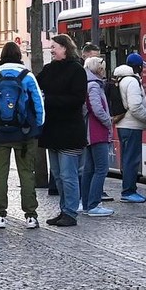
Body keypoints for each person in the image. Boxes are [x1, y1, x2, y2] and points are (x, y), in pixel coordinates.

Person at [0, 41, 45, 228]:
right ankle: (31, 215)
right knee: (26, 173)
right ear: (19, 56)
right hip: (25, 133)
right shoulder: (27, 76)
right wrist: (37, 126)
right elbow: (39, 104)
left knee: (0, 173)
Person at [38, 34, 88, 227]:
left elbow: (77, 99)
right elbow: (36, 84)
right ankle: (64, 208)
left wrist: (48, 100)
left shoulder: (77, 70)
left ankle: (70, 212)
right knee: (58, 175)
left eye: (55, 47)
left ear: (65, 48)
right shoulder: (49, 69)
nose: (52, 50)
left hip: (70, 130)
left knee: (69, 175)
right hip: (53, 130)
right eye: (51, 47)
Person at [112, 53, 146, 204]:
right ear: (138, 67)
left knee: (126, 158)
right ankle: (129, 191)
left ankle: (128, 189)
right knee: (131, 160)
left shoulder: (120, 79)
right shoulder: (132, 81)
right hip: (131, 125)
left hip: (123, 125)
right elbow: (135, 106)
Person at [80, 57, 115, 217]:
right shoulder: (94, 85)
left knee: (89, 168)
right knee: (101, 168)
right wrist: (108, 121)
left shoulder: (86, 82)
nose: (104, 71)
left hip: (89, 131)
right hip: (96, 131)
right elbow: (96, 108)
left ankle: (86, 202)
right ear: (98, 69)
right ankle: (94, 204)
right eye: (102, 68)